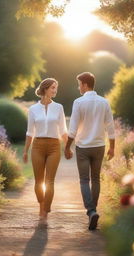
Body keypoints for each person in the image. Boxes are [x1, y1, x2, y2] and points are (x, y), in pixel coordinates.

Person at [64, 72, 115, 230]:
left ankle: (91, 211)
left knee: (84, 180)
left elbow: (72, 130)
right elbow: (111, 127)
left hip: (83, 148)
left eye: (79, 84)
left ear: (85, 84)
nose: (78, 87)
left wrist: (67, 147)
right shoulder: (104, 102)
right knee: (96, 179)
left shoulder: (78, 102)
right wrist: (112, 147)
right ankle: (94, 211)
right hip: (99, 146)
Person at [23, 78, 68, 222]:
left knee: (50, 181)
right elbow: (30, 132)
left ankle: (46, 209)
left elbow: (63, 130)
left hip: (54, 146)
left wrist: (68, 147)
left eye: (56, 88)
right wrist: (25, 151)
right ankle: (41, 204)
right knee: (38, 181)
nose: (55, 90)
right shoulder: (33, 109)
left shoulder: (59, 107)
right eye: (53, 88)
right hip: (38, 146)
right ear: (45, 89)